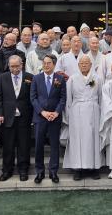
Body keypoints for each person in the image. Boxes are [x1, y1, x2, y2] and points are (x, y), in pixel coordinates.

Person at [62, 56, 103, 180]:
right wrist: (68, 116)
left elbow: (101, 97)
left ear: (90, 64)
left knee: (93, 139)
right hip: (77, 111)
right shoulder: (72, 79)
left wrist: (101, 113)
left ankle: (94, 168)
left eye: (86, 63)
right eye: (82, 63)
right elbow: (68, 98)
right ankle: (77, 169)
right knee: (77, 140)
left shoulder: (97, 78)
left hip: (93, 111)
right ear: (78, 65)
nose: (84, 65)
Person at [0, 55, 34, 182]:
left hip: (24, 117)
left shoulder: (29, 77)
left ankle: (23, 170)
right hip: (7, 117)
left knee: (24, 145)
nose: (15, 69)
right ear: (8, 66)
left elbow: (33, 97)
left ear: (22, 65)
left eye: (17, 66)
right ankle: (7, 170)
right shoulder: (2, 77)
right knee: (8, 146)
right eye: (12, 66)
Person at [30, 54, 66, 184]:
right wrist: (42, 112)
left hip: (54, 117)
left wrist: (56, 112)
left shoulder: (60, 79)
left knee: (54, 145)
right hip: (40, 117)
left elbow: (63, 98)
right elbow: (33, 98)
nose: (46, 65)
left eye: (49, 63)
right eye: (44, 63)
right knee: (39, 145)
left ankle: (53, 171)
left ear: (54, 64)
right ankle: (39, 172)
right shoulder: (36, 78)